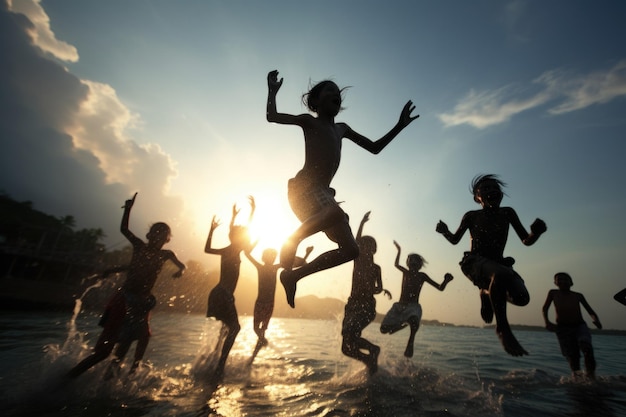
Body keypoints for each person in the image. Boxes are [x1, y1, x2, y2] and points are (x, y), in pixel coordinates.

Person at [266, 70, 419, 308]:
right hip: (304, 188)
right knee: (337, 213)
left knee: (351, 250)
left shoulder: (342, 129)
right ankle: (293, 238)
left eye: (338, 93)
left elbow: (375, 148)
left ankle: (293, 275)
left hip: (323, 195)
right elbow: (272, 116)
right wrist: (272, 91)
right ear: (315, 101)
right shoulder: (309, 121)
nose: (336, 95)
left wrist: (400, 125)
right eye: (330, 91)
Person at [66, 193, 186, 379]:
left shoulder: (166, 254)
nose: (159, 237)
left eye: (163, 235)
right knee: (104, 352)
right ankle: (66, 378)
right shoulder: (139, 246)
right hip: (124, 300)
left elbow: (181, 265)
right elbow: (124, 229)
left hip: (142, 304)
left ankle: (112, 382)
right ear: (149, 235)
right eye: (156, 233)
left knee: (132, 343)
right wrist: (128, 209)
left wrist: (180, 271)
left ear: (167, 239)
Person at [436, 174, 546, 356]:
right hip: (473, 262)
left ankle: (486, 292)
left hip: (498, 264)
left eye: (495, 188)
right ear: (477, 198)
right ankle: (503, 329)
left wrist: (536, 233)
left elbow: (526, 240)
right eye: (485, 189)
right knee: (501, 274)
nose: (492, 191)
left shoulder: (508, 213)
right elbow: (455, 240)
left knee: (521, 298)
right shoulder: (471, 216)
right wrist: (445, 231)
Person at [204, 196, 255, 380]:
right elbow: (208, 249)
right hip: (223, 293)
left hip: (222, 294)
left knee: (227, 328)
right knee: (235, 328)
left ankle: (214, 362)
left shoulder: (234, 248)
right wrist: (212, 230)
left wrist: (244, 216)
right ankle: (219, 366)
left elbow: (239, 234)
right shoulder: (230, 249)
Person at [380, 241, 453, 358]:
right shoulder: (406, 272)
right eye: (411, 260)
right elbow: (396, 264)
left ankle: (410, 341)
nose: (413, 263)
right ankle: (400, 325)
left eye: (415, 261)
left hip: (413, 306)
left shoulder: (422, 276)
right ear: (408, 263)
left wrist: (446, 280)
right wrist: (399, 251)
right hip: (399, 305)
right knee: (383, 330)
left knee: (414, 321)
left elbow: (440, 288)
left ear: (420, 265)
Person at [245, 244, 313, 363]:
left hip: (269, 304)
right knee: (256, 329)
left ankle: (252, 358)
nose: (270, 258)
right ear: (263, 258)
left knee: (262, 330)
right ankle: (261, 340)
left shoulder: (276, 267)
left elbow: (295, 263)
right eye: (268, 256)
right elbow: (247, 253)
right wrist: (256, 241)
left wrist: (307, 253)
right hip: (260, 303)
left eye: (272, 256)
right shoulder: (260, 267)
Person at [341, 211, 391, 374]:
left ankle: (373, 351)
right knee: (346, 347)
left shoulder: (376, 268)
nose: (365, 248)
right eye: (363, 246)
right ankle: (368, 358)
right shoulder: (358, 260)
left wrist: (374, 289)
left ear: (374, 249)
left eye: (369, 246)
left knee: (351, 337)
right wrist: (362, 222)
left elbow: (378, 288)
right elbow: (355, 240)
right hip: (352, 303)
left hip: (366, 305)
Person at [542, 272, 602, 379]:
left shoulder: (578, 296)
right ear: (555, 283)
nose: (562, 281)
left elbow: (590, 311)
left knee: (587, 348)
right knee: (572, 356)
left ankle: (591, 377)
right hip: (563, 328)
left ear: (571, 283)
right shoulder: (553, 293)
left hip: (580, 326)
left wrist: (596, 320)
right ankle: (577, 378)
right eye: (559, 279)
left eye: (565, 279)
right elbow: (545, 308)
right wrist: (547, 321)